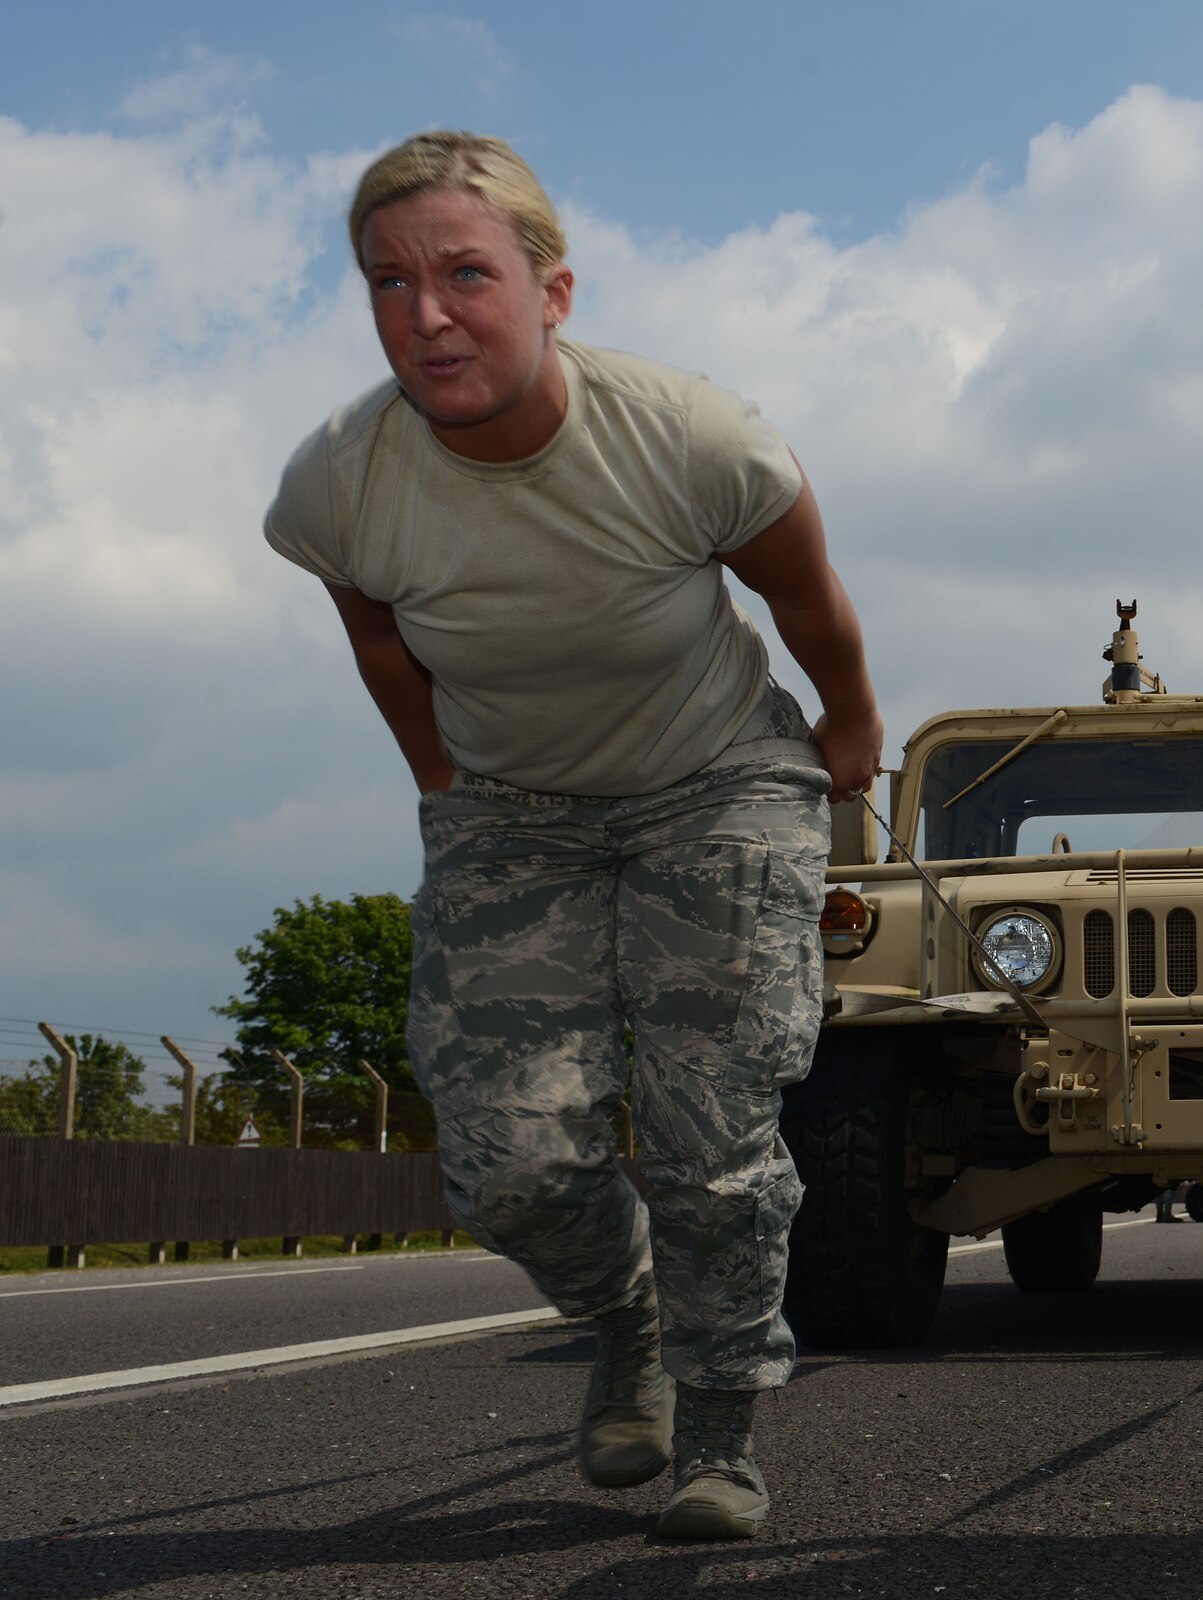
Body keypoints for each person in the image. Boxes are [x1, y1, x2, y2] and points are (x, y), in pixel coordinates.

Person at [265, 131, 882, 1542]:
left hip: (716, 782)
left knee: (710, 1136)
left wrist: (851, 726)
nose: (424, 316)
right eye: (388, 283)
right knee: (508, 1162)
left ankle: (720, 1433)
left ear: (554, 292)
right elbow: (376, 635)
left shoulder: (692, 439)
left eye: (465, 275)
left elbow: (808, 594)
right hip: (510, 812)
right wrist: (444, 789)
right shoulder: (339, 485)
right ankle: (629, 1319)